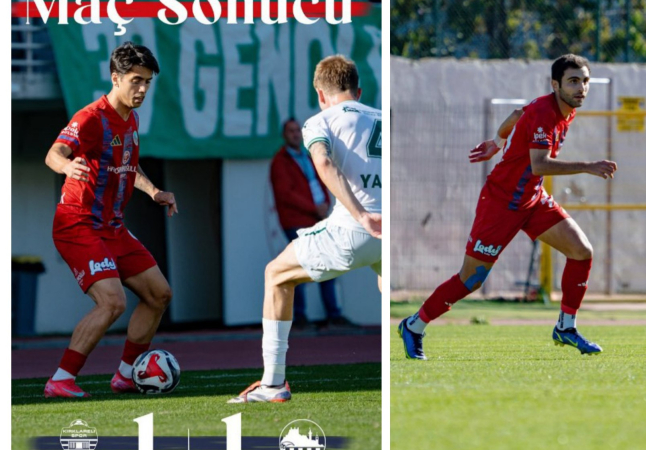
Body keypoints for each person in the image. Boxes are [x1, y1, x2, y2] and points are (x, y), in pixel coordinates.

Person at [398, 54, 618, 360]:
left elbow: (517, 113)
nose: (581, 88)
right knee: (471, 279)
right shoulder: (545, 112)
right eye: (573, 81)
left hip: (532, 199)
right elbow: (539, 165)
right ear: (555, 85)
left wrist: (498, 141)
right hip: (501, 202)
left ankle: (566, 327)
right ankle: (414, 325)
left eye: (584, 81)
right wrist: (588, 166)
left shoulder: (562, 108)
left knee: (581, 252)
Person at [229, 55, 382, 403]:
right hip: (388, 231)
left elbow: (324, 163)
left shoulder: (319, 120)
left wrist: (360, 215)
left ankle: (272, 384)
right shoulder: (382, 118)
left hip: (355, 228)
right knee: (386, 286)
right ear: (358, 90)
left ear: (320, 93)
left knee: (276, 274)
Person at [43, 42, 177, 398]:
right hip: (78, 225)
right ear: (115, 78)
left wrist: (153, 192)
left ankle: (125, 374)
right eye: (136, 81)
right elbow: (54, 153)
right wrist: (67, 165)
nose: (143, 89)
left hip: (112, 228)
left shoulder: (130, 119)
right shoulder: (90, 118)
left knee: (159, 294)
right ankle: (61, 379)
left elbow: (128, 168)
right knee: (113, 302)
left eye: (148, 82)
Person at [269, 118, 352, 328]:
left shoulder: (306, 157)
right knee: (301, 266)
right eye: (291, 131)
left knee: (327, 264)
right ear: (284, 135)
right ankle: (299, 317)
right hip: (297, 221)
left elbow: (320, 182)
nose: (296, 134)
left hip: (318, 218)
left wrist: (325, 203)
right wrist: (313, 207)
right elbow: (286, 194)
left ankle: (333, 314)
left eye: (298, 130)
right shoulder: (281, 161)